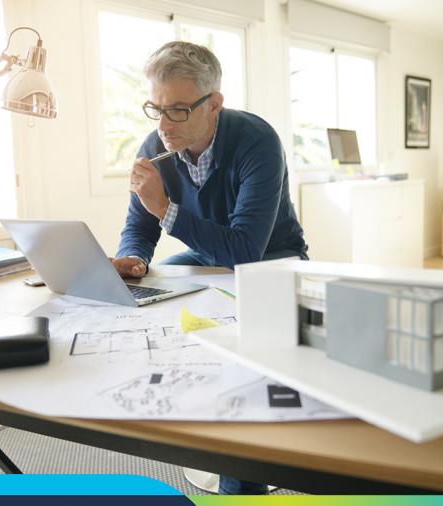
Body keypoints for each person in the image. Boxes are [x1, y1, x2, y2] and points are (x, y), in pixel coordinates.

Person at [111, 41, 307, 495]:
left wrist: (165, 208)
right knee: (146, 298)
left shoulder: (257, 141)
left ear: (214, 104)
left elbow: (243, 252)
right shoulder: (156, 143)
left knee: (243, 353)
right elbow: (140, 227)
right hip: (208, 257)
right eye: (155, 109)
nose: (162, 124)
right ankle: (192, 427)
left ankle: (242, 473)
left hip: (272, 262)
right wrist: (134, 260)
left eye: (177, 110)